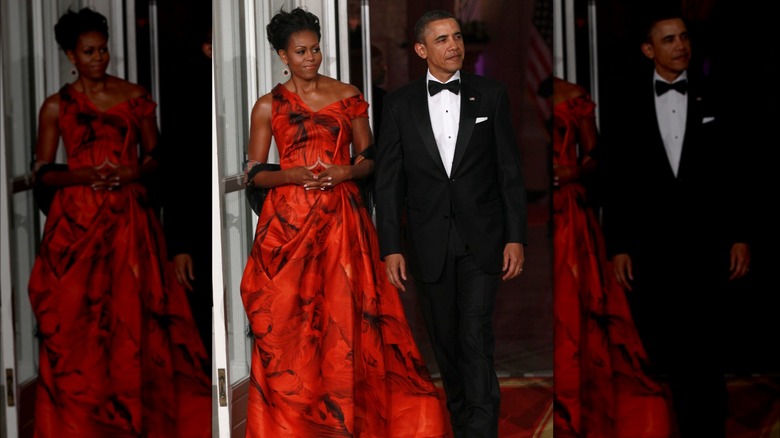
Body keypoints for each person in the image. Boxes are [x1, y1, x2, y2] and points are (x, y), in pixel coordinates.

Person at [240, 7, 448, 437]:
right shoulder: (267, 106)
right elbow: (255, 173)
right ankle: (299, 424)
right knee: (292, 323)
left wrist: (343, 172)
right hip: (289, 227)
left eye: (316, 49)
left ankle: (356, 420)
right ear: (282, 54)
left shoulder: (349, 95)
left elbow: (371, 162)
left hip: (342, 223)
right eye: (301, 52)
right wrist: (293, 174)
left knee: (348, 319)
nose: (311, 58)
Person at [27, 8, 210, 437]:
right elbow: (43, 172)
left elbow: (157, 158)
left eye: (103, 49)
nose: (98, 57)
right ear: (70, 54)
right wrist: (84, 175)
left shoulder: (135, 97)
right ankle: (83, 424)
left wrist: (130, 172)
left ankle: (137, 421)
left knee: (135, 321)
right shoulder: (56, 106)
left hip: (129, 222)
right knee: (78, 326)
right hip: (76, 227)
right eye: (88, 51)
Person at [374, 10, 528, 438]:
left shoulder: (491, 94)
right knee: (446, 341)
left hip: (483, 240)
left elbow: (509, 172)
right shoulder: (399, 104)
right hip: (427, 243)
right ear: (422, 49)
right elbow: (389, 183)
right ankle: (463, 421)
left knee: (475, 334)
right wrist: (391, 246)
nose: (454, 46)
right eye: (442, 39)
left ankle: (481, 429)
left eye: (457, 37)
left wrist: (516, 237)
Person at [600, 11, 750, 438]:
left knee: (707, 350)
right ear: (650, 50)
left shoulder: (716, 93)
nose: (680, 45)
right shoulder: (625, 99)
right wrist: (619, 245)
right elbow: (616, 176)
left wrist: (740, 234)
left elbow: (736, 172)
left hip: (709, 245)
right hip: (653, 249)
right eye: (669, 39)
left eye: (684, 37)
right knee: (671, 349)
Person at [551, 77, 672, 437]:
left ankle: (585, 410)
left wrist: (573, 171)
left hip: (569, 212)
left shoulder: (573, 96)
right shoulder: (509, 90)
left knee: (574, 308)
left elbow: (597, 155)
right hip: (528, 209)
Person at [161, 18, 213, 364]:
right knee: (202, 299)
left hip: (255, 213)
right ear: (206, 48)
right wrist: (178, 244)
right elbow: (175, 171)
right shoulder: (185, 94)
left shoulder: (256, 89)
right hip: (197, 219)